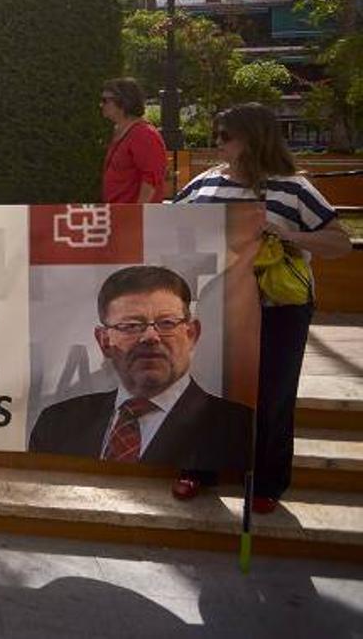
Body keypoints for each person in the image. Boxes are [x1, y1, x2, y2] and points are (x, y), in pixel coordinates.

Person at [173, 102, 352, 511]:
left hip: (277, 309)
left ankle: (269, 480)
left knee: (273, 393)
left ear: (253, 138)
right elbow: (168, 223)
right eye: (217, 135)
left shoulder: (293, 187)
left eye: (226, 136)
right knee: (202, 388)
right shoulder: (204, 183)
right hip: (214, 305)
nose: (218, 144)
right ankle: (198, 467)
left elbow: (338, 242)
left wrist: (283, 234)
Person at [28, 266, 252, 474]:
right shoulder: (57, 425)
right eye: (131, 326)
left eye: (167, 323)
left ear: (191, 334)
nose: (150, 337)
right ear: (104, 341)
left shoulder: (245, 433)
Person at [101, 78, 167, 203]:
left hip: (135, 217)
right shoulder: (121, 131)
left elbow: (151, 179)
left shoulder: (143, 134)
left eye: (105, 101)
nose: (101, 105)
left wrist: (137, 214)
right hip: (117, 213)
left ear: (123, 102)